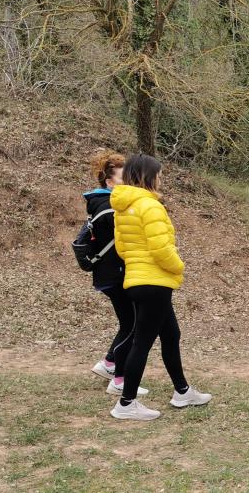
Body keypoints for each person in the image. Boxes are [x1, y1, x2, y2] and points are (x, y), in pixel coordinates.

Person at [109, 154, 211, 420]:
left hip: (136, 279)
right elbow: (161, 248)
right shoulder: (150, 206)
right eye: (159, 174)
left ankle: (182, 391)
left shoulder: (122, 208)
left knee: (171, 334)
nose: (161, 179)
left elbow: (121, 248)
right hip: (155, 280)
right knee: (142, 342)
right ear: (147, 176)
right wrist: (179, 266)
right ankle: (127, 403)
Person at [85, 151, 149, 397]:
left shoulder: (100, 202)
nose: (130, 184)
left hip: (109, 274)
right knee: (132, 325)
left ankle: (109, 364)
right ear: (109, 182)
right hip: (116, 274)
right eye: (124, 179)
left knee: (127, 322)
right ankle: (120, 378)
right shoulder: (111, 207)